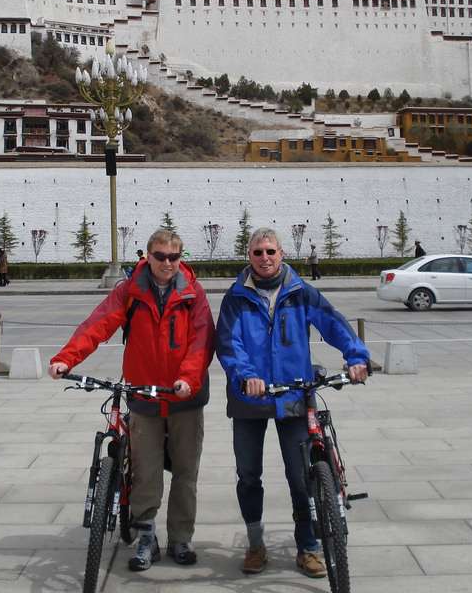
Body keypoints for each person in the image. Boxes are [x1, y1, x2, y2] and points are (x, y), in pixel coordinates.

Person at [49, 229, 214, 572]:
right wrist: (67, 358)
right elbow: (98, 325)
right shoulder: (130, 291)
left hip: (185, 396)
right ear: (148, 256)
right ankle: (147, 537)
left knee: (186, 472)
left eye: (174, 257)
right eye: (160, 256)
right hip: (143, 394)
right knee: (145, 472)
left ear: (180, 258)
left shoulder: (193, 293)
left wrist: (188, 378)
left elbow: (202, 341)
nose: (167, 263)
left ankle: (181, 537)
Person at [215, 228, 369, 578]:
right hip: (249, 396)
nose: (265, 258)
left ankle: (309, 547)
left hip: (294, 394)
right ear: (249, 256)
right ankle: (255, 545)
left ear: (282, 254)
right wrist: (244, 375)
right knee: (248, 474)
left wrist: (356, 357)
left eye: (271, 251)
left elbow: (333, 325)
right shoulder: (236, 297)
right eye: (258, 253)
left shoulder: (302, 293)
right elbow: (227, 344)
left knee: (302, 477)